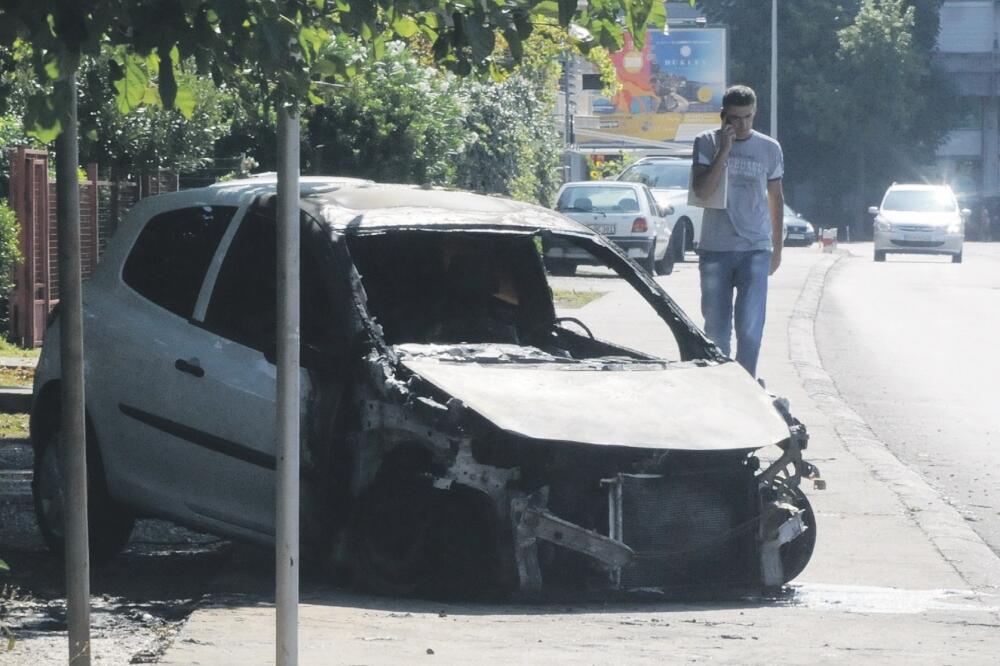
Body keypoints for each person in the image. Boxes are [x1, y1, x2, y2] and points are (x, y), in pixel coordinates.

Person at [690, 85, 784, 378]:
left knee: (750, 328)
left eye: (748, 117)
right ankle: (720, 387)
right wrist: (724, 151)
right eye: (735, 118)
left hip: (755, 248)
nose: (742, 125)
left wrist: (777, 249)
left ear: (755, 114)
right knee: (716, 330)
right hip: (716, 249)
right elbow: (703, 192)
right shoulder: (705, 143)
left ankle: (747, 388)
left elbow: (776, 198)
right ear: (723, 116)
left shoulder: (769, 148)